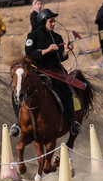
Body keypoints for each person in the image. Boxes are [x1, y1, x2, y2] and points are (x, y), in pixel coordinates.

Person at [10, 8, 82, 137]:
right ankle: (17, 124)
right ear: (44, 22)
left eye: (54, 21)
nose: (53, 24)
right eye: (51, 21)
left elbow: (61, 57)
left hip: (53, 70)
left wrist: (66, 51)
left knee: (65, 89)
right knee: (16, 92)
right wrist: (47, 50)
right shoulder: (33, 36)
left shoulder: (57, 37)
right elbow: (29, 53)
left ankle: (72, 123)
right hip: (35, 70)